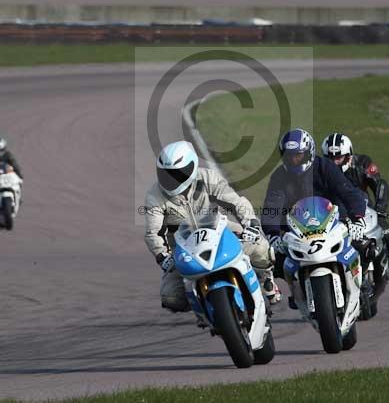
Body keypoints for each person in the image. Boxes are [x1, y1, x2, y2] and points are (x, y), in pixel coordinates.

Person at [143, 140, 281, 314]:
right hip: (183, 248)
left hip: (219, 232)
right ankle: (202, 306)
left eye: (177, 174)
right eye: (166, 174)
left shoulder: (208, 178)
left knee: (262, 248)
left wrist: (250, 223)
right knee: (171, 297)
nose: (171, 179)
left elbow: (236, 202)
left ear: (191, 167)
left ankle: (265, 280)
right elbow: (153, 233)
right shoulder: (154, 196)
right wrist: (163, 255)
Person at [261, 128, 370, 307]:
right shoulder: (280, 176)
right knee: (277, 258)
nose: (294, 160)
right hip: (298, 228)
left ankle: (362, 282)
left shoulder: (324, 167)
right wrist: (273, 234)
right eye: (289, 156)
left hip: (333, 221)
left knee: (363, 243)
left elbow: (348, 192)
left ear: (309, 152)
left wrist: (357, 218)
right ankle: (297, 288)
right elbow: (272, 207)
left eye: (298, 156)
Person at [321, 132, 389, 257]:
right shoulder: (321, 170)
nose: (334, 162)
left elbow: (379, 184)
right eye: (330, 158)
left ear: (348, 156)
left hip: (366, 211)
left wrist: (380, 211)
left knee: (388, 237)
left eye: (338, 158)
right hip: (335, 215)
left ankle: (384, 263)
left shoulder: (362, 163)